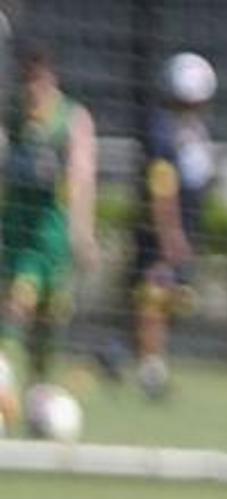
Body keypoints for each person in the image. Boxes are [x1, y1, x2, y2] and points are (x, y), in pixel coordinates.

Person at [0, 44, 97, 430]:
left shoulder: (72, 119)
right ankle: (5, 385)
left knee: (50, 322)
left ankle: (39, 392)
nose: (32, 90)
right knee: (15, 305)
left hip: (53, 236)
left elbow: (82, 176)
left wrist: (83, 233)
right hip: (17, 231)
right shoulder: (14, 117)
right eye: (27, 82)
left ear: (51, 80)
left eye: (38, 82)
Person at [128, 52, 218, 402]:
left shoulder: (193, 131)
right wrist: (171, 234)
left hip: (187, 228)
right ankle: (150, 370)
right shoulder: (162, 130)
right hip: (165, 234)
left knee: (174, 301)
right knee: (155, 295)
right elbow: (161, 185)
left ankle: (127, 356)